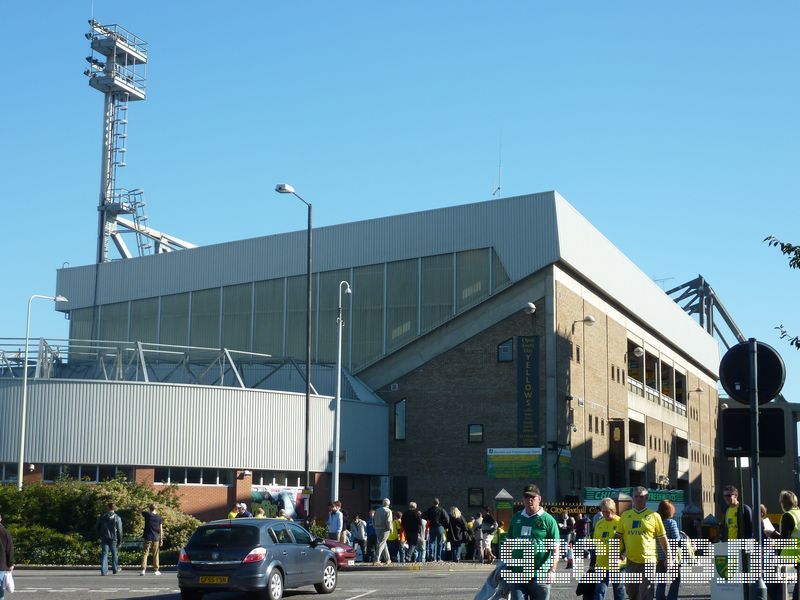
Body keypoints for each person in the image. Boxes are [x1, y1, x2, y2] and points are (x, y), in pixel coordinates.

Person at [506, 483, 560, 600]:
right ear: (523, 499)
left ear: (539, 499)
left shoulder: (548, 520)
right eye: (526, 497)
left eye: (532, 497)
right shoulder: (516, 518)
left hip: (540, 575)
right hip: (518, 573)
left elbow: (555, 548)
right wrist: (505, 565)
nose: (529, 500)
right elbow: (509, 543)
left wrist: (552, 570)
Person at [616, 486, 670, 600]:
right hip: (631, 561)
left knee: (646, 594)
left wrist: (669, 556)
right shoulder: (625, 516)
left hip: (649, 561)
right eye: (636, 496)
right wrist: (616, 552)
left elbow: (662, 538)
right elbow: (618, 536)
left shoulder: (654, 516)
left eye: (642, 497)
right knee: (632, 592)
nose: (638, 499)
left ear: (646, 498)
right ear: (632, 498)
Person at [591, 498, 624, 600]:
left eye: (608, 511)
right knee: (599, 591)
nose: (605, 513)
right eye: (603, 511)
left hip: (617, 564)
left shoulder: (620, 522)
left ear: (613, 510)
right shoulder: (599, 523)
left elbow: (628, 542)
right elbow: (595, 545)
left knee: (618, 591)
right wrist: (592, 563)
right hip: (601, 563)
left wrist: (623, 555)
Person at [655, 500, 680, 600]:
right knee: (675, 580)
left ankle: (660, 598)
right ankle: (671, 598)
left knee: (661, 582)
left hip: (659, 557)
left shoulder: (657, 523)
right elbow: (676, 539)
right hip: (671, 557)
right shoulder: (671, 522)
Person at [96, 502, 124, 576]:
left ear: (108, 508)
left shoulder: (102, 516)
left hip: (104, 537)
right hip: (113, 538)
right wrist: (120, 541)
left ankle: (104, 571)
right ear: (114, 508)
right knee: (114, 554)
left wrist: (100, 535)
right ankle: (115, 570)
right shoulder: (117, 517)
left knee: (104, 554)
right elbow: (120, 530)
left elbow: (97, 527)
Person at [140, 503, 163, 576]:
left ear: (149, 508)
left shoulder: (147, 515)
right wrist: (161, 539)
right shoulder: (159, 517)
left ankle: (143, 570)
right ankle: (156, 570)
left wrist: (145, 506)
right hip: (156, 537)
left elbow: (139, 511)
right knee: (155, 554)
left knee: (145, 553)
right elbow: (161, 529)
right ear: (156, 508)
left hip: (147, 537)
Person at [372, 498, 393, 565]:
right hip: (385, 529)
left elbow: (373, 520)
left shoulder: (377, 510)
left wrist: (375, 527)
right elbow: (389, 521)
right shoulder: (388, 511)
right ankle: (376, 559)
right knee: (382, 543)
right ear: (388, 504)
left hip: (377, 528)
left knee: (383, 544)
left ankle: (388, 559)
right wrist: (391, 529)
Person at [0, 514, 14, 599]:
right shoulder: (5, 532)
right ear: (0, 519)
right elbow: (9, 549)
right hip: (1, 564)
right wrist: (10, 564)